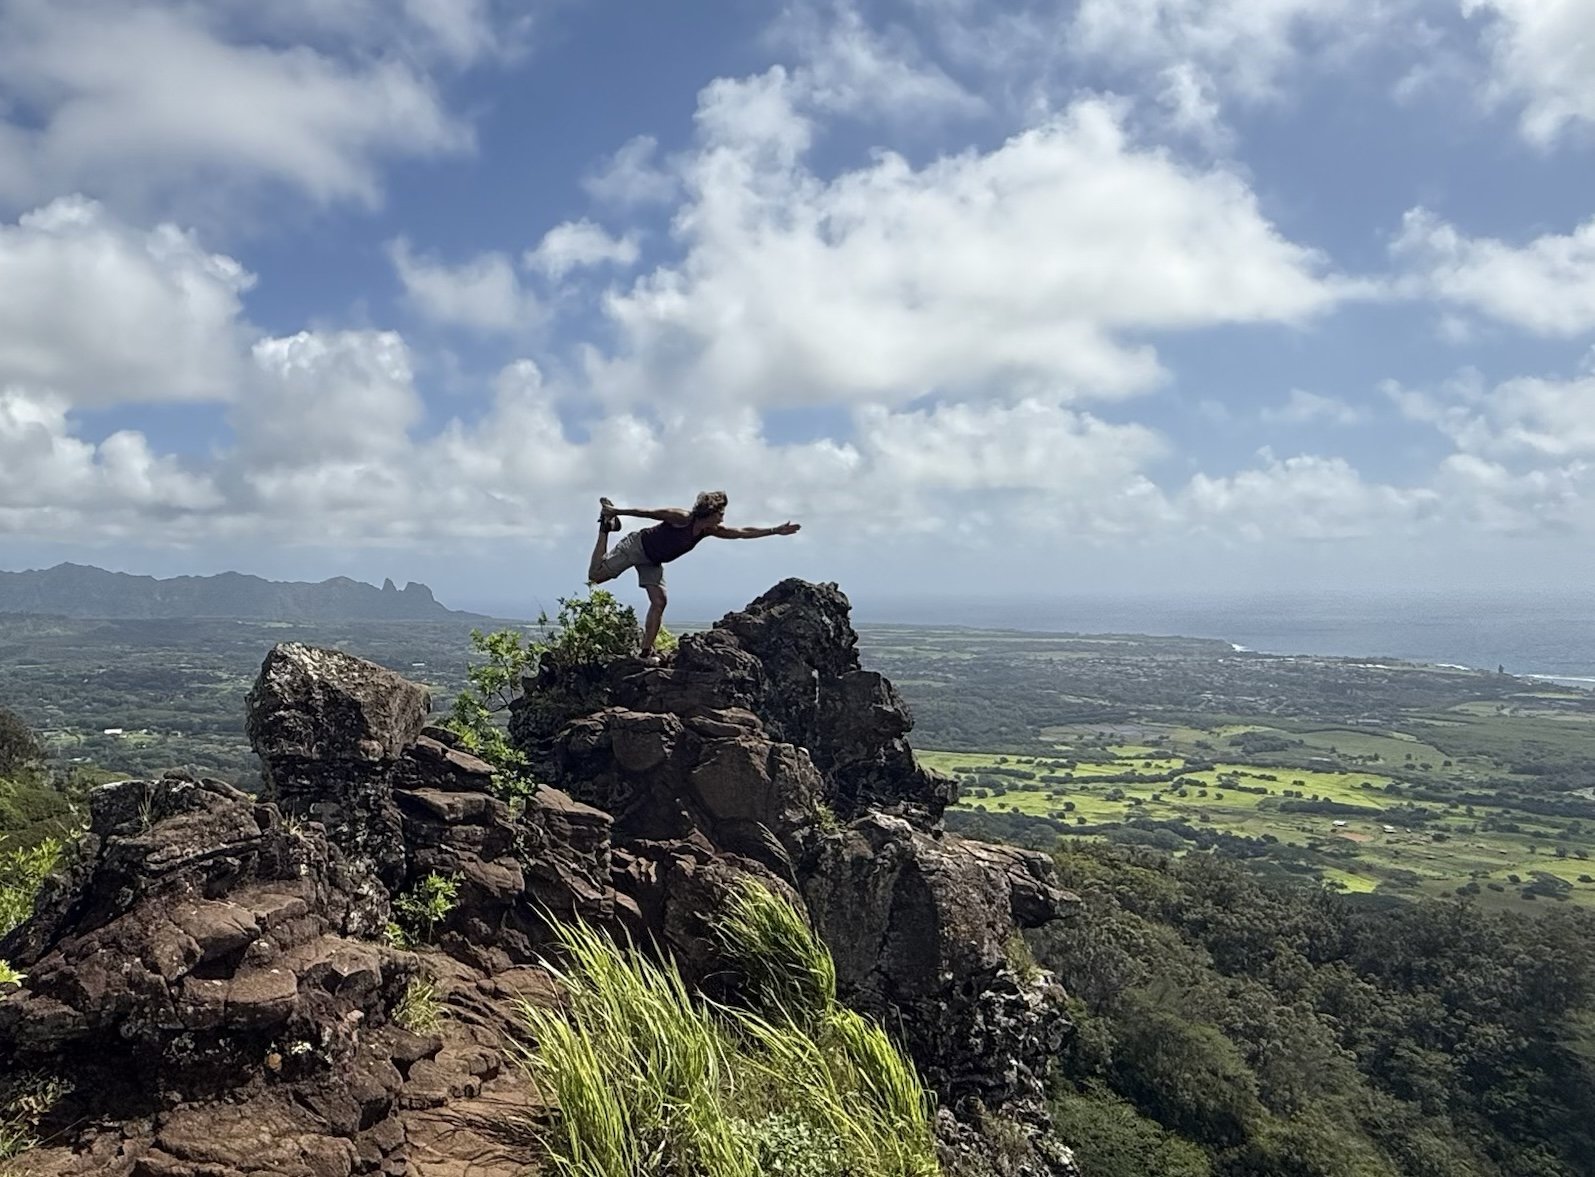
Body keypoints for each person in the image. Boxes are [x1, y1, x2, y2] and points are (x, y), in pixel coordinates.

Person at [587, 490, 801, 659]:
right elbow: (649, 512)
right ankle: (606, 527)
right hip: (637, 547)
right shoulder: (681, 518)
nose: (723, 517)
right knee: (596, 577)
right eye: (720, 513)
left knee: (660, 601)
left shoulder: (710, 530)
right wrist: (616, 512)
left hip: (653, 561)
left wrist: (774, 530)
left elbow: (741, 533)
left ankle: (645, 652)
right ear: (709, 512)